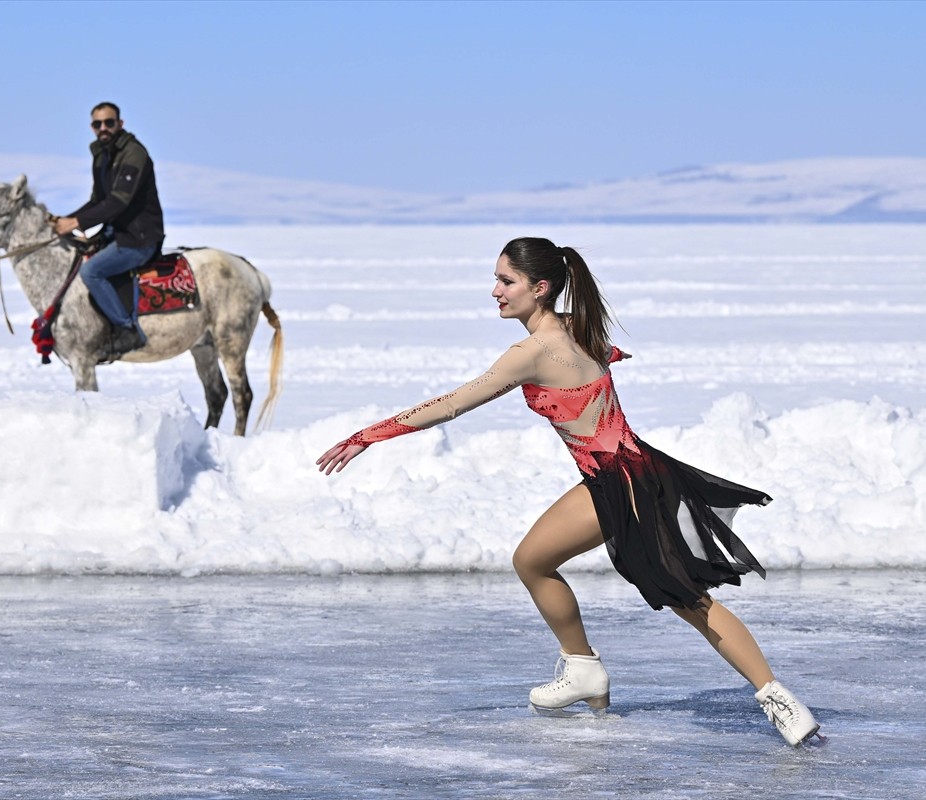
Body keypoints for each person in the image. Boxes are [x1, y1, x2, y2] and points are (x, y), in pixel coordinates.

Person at [316, 237, 822, 747]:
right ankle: (582, 667)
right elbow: (600, 358)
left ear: (539, 288)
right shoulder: (580, 326)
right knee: (533, 560)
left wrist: (368, 435)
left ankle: (779, 702)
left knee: (689, 600)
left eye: (505, 281)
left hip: (618, 483)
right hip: (636, 472)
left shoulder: (530, 353)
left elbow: (451, 405)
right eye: (496, 279)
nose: (495, 291)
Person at [53, 101, 165, 359]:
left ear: (120, 124)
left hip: (138, 238)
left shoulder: (133, 153)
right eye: (97, 124)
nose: (103, 128)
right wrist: (66, 220)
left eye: (109, 122)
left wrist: (77, 223)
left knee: (91, 272)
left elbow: (118, 201)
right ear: (92, 127)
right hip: (116, 233)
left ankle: (127, 329)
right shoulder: (102, 154)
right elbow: (97, 201)